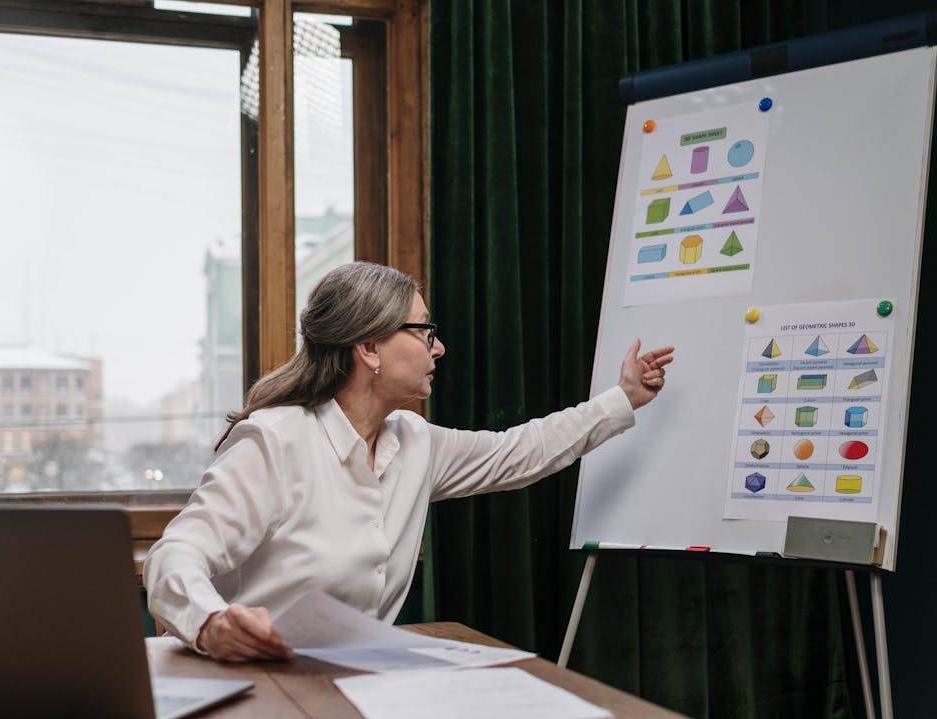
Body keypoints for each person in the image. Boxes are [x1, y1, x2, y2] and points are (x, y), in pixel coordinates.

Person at [143, 260, 674, 662]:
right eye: (424, 332)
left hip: (359, 688)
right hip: (259, 692)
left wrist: (622, 397)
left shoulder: (414, 442)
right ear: (370, 348)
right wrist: (213, 622)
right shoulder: (274, 443)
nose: (438, 348)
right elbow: (176, 555)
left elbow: (521, 452)